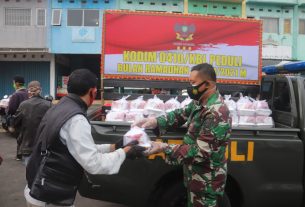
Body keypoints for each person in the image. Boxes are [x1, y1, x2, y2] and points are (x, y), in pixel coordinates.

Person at [25, 69, 145, 207]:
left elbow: (74, 147)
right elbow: (94, 164)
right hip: (48, 196)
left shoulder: (60, 107)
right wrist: (124, 153)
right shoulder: (76, 119)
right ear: (92, 92)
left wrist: (113, 147)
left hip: (38, 187)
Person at [133, 63, 232, 207]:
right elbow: (180, 114)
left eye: (193, 83)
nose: (190, 87)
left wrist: (163, 147)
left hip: (207, 182)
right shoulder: (200, 101)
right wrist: (153, 121)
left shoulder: (216, 112)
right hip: (196, 178)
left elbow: (200, 152)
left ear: (208, 84)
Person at [14, 81, 52, 166]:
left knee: (30, 174)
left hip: (27, 146)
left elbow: (15, 124)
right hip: (44, 147)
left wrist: (20, 137)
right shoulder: (49, 105)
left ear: (29, 91)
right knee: (41, 175)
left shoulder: (23, 105)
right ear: (40, 90)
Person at [7, 75, 28, 160]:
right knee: (26, 136)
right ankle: (26, 153)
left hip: (19, 119)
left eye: (13, 83)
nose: (13, 84)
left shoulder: (16, 95)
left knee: (19, 137)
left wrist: (7, 111)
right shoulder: (28, 93)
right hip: (28, 118)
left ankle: (20, 155)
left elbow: (11, 109)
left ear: (17, 84)